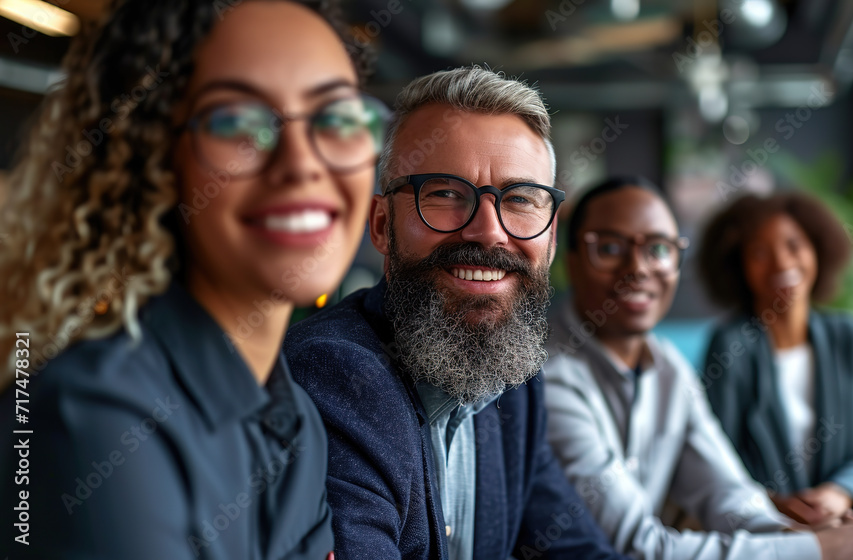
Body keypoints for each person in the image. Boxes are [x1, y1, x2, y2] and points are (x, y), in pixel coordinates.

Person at [0, 1, 387, 557]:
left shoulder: (296, 417)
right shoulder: (89, 417)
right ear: (153, 156)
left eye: (338, 118)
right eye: (238, 121)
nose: (303, 162)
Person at [283, 66, 627, 560]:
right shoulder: (337, 378)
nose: (488, 232)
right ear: (382, 225)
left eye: (520, 200)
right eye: (445, 193)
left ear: (550, 239)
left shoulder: (516, 380)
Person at [543, 177, 853, 560]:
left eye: (659, 249)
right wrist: (812, 549)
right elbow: (634, 548)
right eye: (608, 248)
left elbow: (727, 494)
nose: (637, 268)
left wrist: (803, 536)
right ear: (568, 258)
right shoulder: (548, 375)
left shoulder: (669, 368)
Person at [698, 192, 853, 528]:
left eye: (794, 245)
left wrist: (838, 494)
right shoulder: (730, 346)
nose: (781, 263)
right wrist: (779, 507)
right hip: (761, 533)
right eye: (759, 252)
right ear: (738, 266)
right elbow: (716, 466)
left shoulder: (848, 335)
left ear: (818, 250)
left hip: (840, 527)